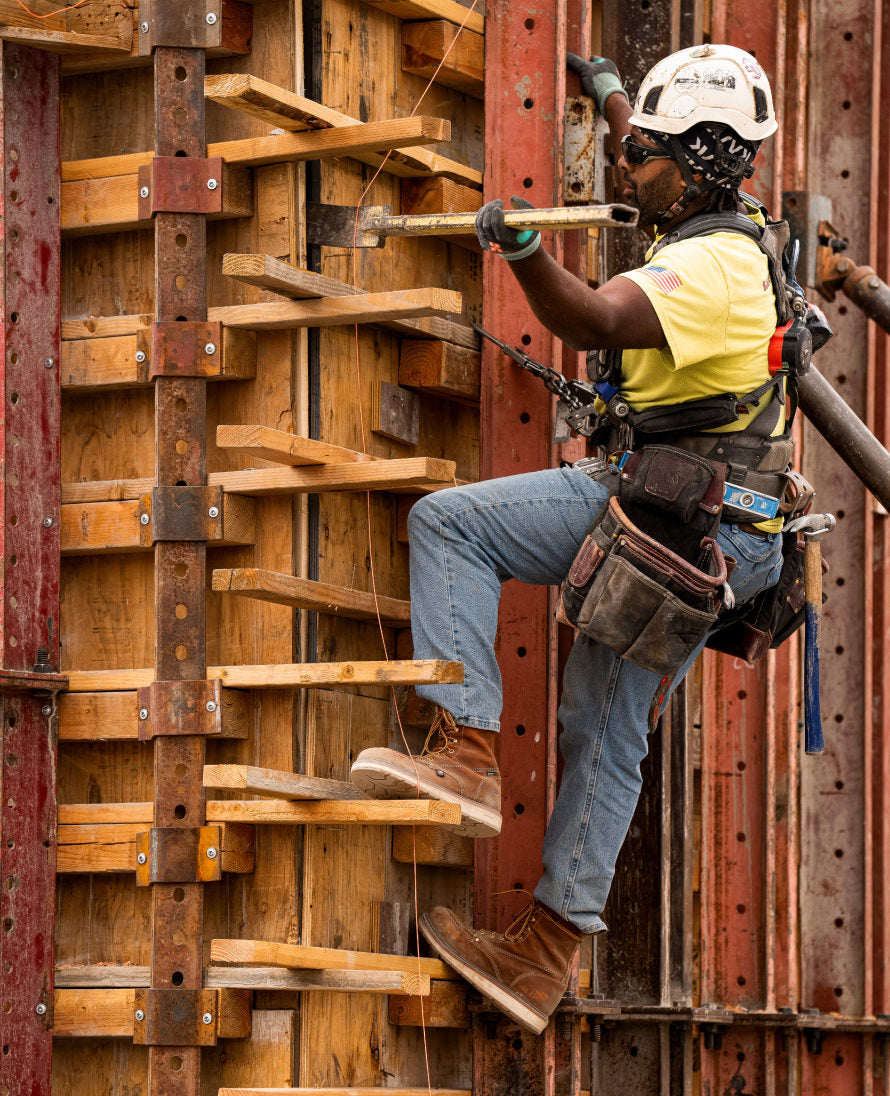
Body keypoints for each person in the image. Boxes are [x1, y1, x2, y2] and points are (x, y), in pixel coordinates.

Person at [350, 44, 789, 1034]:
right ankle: (543, 957)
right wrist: (602, 90)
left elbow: (590, 315)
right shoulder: (734, 218)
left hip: (673, 513)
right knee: (602, 714)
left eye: (644, 157)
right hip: (722, 526)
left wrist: (517, 249)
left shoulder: (708, 265)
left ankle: (463, 750)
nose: (626, 169)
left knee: (449, 524)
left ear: (700, 164)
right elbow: (649, 134)